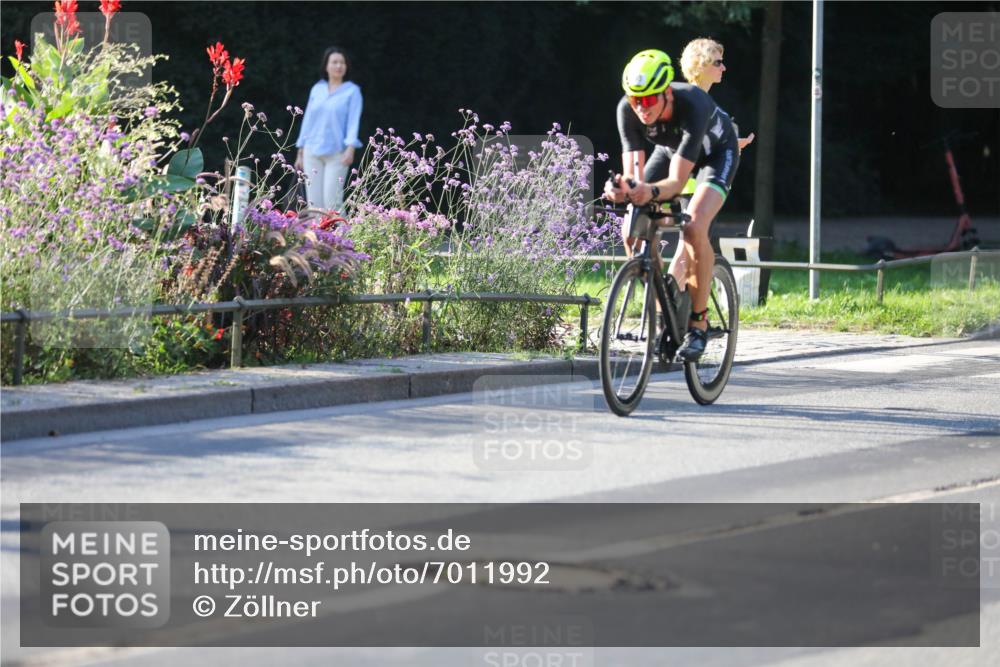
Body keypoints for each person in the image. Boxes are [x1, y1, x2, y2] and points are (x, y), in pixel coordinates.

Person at [603, 49, 740, 362]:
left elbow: (677, 184)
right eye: (635, 100)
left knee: (693, 226)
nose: (641, 108)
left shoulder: (694, 104)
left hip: (715, 155)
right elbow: (634, 176)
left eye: (649, 100)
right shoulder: (628, 109)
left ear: (667, 92)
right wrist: (621, 189)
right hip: (670, 151)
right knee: (631, 232)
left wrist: (645, 191)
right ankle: (664, 315)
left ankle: (698, 323)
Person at [294, 46, 363, 212]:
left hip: (337, 153)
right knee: (314, 204)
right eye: (334, 62)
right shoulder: (317, 89)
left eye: (342, 63)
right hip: (312, 151)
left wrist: (351, 148)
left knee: (333, 203)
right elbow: (308, 120)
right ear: (326, 66)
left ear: (346, 67)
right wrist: (300, 151)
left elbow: (354, 122)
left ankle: (342, 238)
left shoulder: (352, 92)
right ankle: (316, 238)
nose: (339, 66)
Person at [680, 37, 754, 151]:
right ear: (700, 65)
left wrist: (729, 146)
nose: (723, 68)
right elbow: (685, 148)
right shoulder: (687, 101)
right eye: (718, 63)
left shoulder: (703, 102)